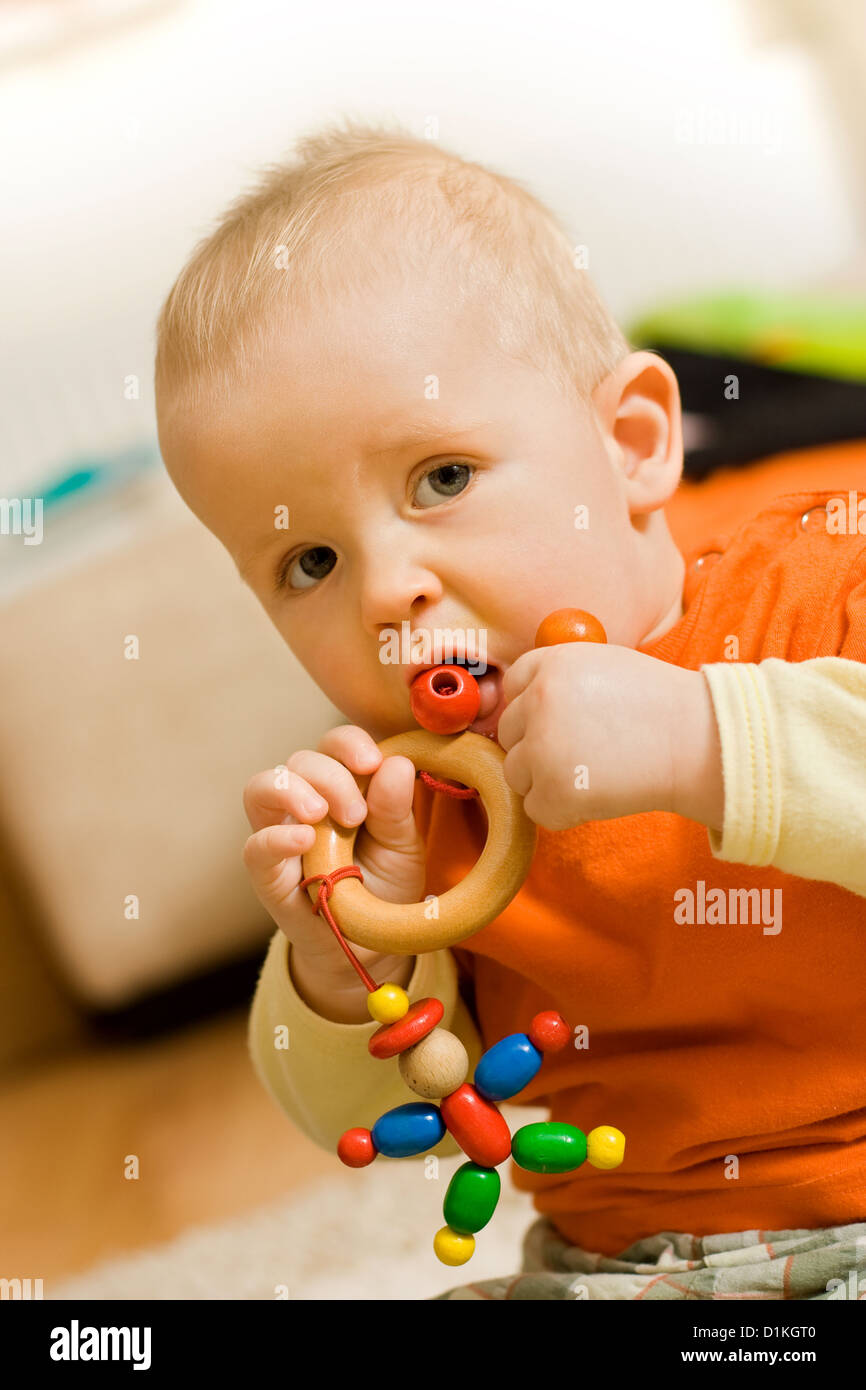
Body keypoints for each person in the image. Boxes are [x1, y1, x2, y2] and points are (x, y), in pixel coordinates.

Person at [154, 119, 866, 1300]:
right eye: (310, 562)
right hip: (609, 1266)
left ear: (631, 443)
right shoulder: (423, 818)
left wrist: (700, 743)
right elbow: (393, 1114)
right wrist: (339, 966)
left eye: (440, 479)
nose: (387, 588)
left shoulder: (815, 596)